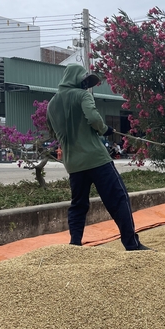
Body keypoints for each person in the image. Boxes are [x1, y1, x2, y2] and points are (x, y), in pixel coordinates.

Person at [46, 63, 150, 251]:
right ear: (77, 80)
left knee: (78, 205)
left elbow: (53, 131)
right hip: (96, 159)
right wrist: (104, 130)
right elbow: (93, 118)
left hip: (73, 163)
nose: (86, 86)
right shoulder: (83, 95)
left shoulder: (51, 104)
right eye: (84, 81)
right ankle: (131, 244)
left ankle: (75, 245)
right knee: (119, 199)